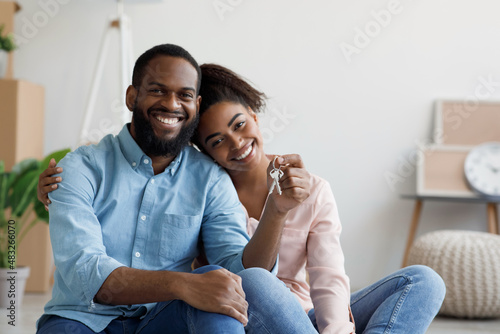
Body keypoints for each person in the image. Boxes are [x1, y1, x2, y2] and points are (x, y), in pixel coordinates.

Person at [38, 62, 447, 333]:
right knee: (251, 280)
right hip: (241, 312)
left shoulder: (308, 187)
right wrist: (67, 185)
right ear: (198, 147)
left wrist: (333, 329)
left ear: (254, 112)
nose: (236, 145)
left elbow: (329, 278)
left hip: (304, 316)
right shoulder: (205, 186)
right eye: (217, 140)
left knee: (422, 280)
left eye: (239, 125)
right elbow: (133, 187)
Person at [35, 44, 318, 334]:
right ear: (132, 97)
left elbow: (242, 275)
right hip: (81, 320)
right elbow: (84, 271)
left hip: (163, 321)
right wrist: (182, 284)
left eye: (184, 95)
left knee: (221, 286)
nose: (172, 104)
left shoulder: (210, 179)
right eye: (158, 90)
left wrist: (276, 211)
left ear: (196, 104)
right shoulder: (80, 168)